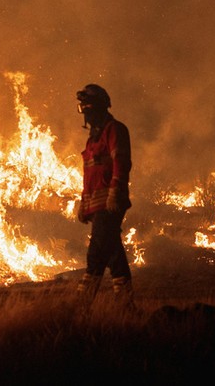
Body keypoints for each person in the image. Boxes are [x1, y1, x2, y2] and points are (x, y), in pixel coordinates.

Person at [73, 83, 133, 305]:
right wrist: (84, 204)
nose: (85, 113)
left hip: (110, 205)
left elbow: (121, 162)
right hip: (97, 206)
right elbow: (91, 177)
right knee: (114, 255)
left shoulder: (115, 130)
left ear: (98, 108)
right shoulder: (92, 140)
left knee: (96, 254)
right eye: (82, 109)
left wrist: (115, 193)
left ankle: (81, 305)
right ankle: (126, 306)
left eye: (87, 108)